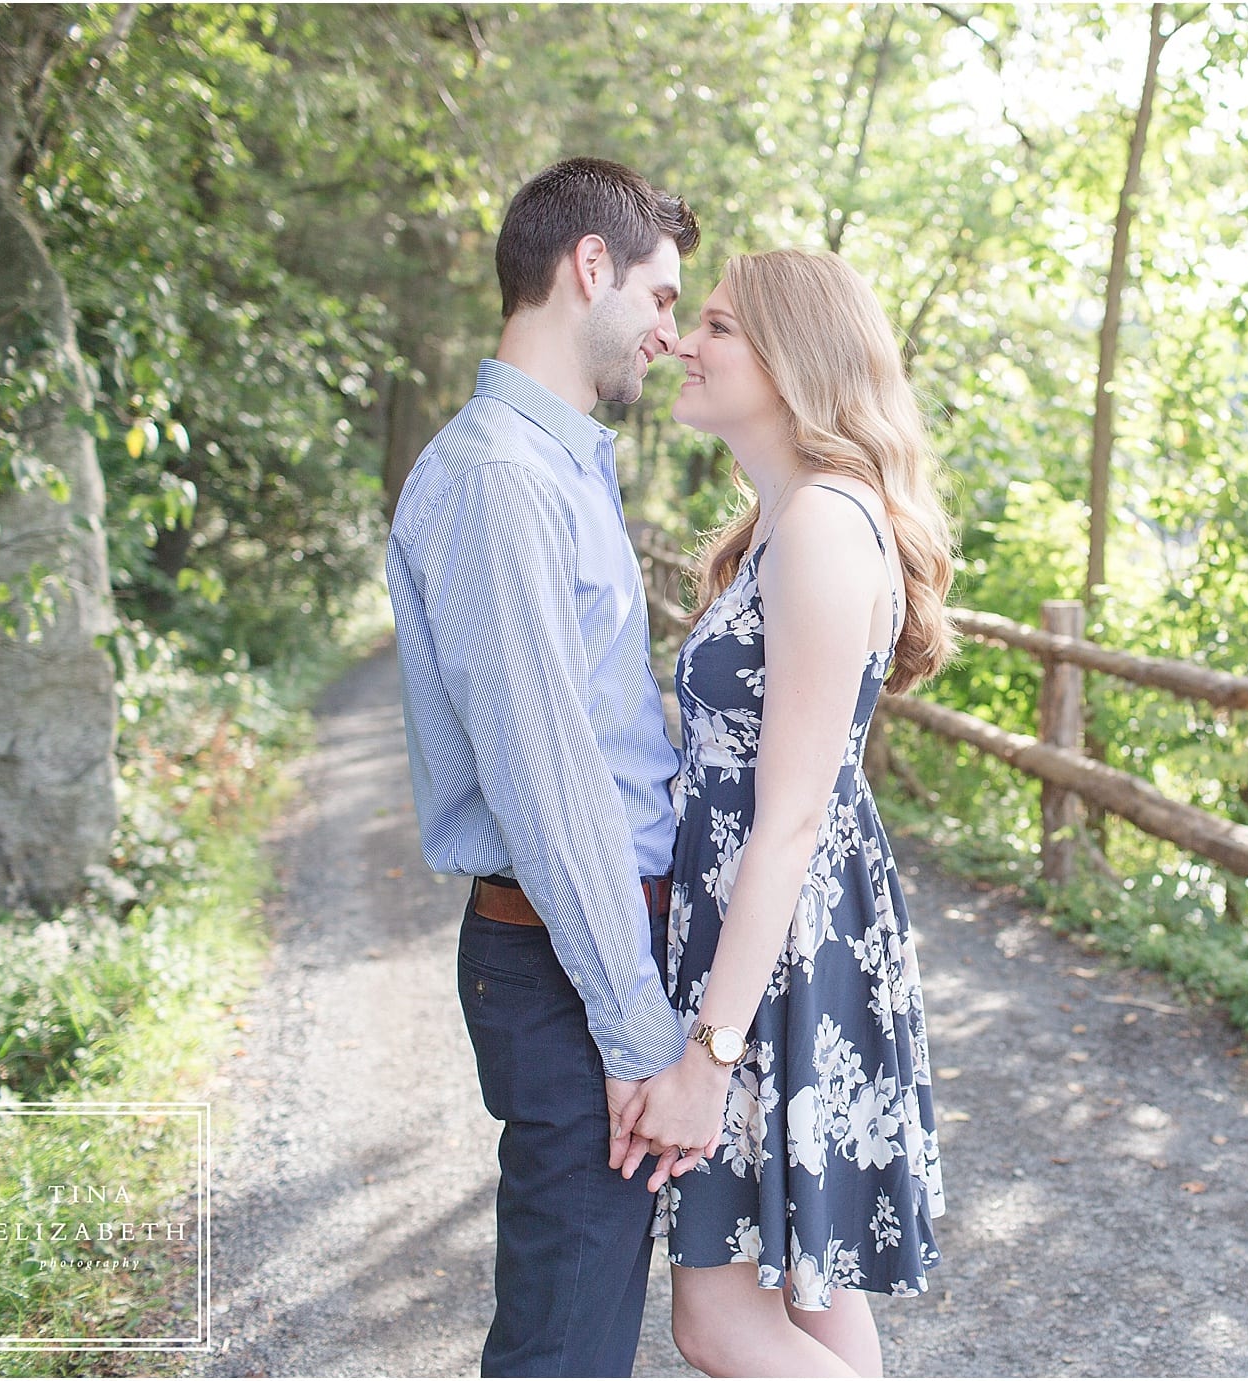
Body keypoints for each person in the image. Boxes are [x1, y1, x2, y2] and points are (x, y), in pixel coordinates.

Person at [385, 156, 697, 1377]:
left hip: (595, 957)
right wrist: (635, 1034)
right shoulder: (500, 480)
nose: (669, 335)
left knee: (586, 1334)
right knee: (561, 1350)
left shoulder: (558, 465)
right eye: (663, 298)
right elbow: (552, 790)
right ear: (588, 268)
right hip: (573, 968)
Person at [623, 249, 955, 1377]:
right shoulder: (782, 522)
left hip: (775, 951)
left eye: (713, 326)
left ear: (791, 359)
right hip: (769, 936)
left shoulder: (819, 524)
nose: (679, 340)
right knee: (811, 1299)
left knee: (716, 1317)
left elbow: (792, 822)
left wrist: (707, 1056)